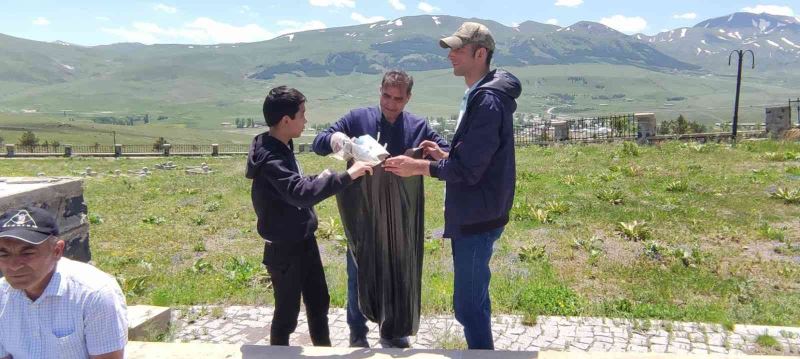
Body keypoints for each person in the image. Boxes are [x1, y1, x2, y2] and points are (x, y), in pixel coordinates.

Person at [383, 22, 521, 350]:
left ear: (480, 53)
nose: (451, 56)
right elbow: (478, 158)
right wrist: (446, 154)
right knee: (475, 301)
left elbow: (468, 171)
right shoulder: (481, 93)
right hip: (480, 210)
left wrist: (418, 166)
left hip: (476, 218)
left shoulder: (486, 100)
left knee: (468, 306)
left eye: (458, 49)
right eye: (450, 49)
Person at [311, 70, 449, 348]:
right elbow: (319, 142)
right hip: (360, 210)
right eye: (386, 96)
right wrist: (339, 142)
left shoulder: (418, 126)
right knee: (359, 268)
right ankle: (357, 333)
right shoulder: (357, 119)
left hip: (401, 215)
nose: (390, 103)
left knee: (400, 270)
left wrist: (437, 153)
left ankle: (395, 332)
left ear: (408, 97)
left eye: (398, 98)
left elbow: (447, 157)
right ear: (380, 91)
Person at [245, 86, 373, 346]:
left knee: (318, 302)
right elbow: (299, 193)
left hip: (303, 240)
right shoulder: (270, 158)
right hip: (284, 248)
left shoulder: (281, 146)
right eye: (302, 114)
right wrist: (348, 175)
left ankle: (322, 350)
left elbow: (295, 186)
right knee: (287, 314)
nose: (306, 120)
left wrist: (319, 179)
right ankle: (278, 352)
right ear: (286, 120)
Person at [0, 206, 128, 359]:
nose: (14, 265)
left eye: (27, 253)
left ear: (57, 251)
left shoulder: (94, 294)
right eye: (3, 254)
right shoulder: (2, 295)